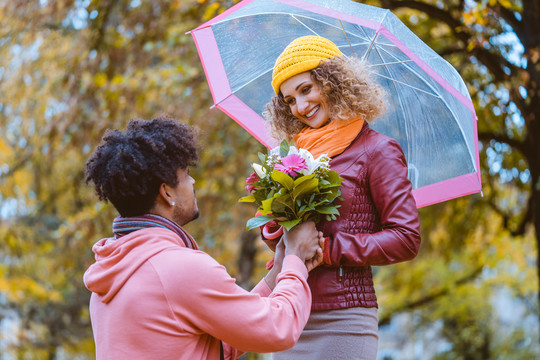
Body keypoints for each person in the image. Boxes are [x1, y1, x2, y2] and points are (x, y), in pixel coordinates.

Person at [83, 115, 325, 360]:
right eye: (186, 174)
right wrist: (295, 258)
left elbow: (214, 344)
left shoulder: (109, 271)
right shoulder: (178, 268)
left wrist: (280, 270)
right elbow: (278, 329)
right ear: (167, 192)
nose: (193, 181)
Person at [261, 36, 422, 360]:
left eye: (306, 90)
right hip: (289, 307)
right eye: (289, 100)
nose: (301, 107)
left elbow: (406, 239)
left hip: (343, 316)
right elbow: (287, 235)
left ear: (333, 81)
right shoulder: (294, 153)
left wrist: (331, 250)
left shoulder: (377, 150)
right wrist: (277, 226)